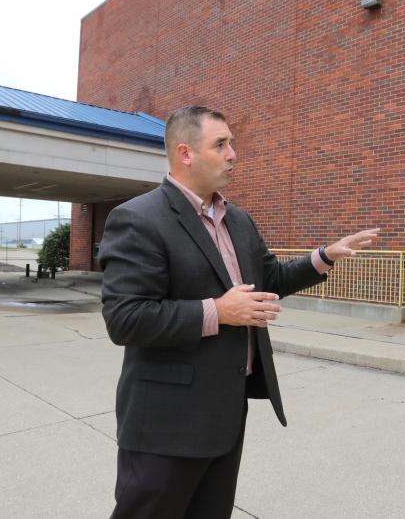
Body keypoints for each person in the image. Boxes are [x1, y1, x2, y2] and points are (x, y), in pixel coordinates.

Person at [99, 105, 379, 519]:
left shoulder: (239, 221)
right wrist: (218, 311)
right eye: (221, 144)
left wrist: (324, 256)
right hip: (166, 425)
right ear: (185, 153)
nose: (234, 154)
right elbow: (126, 318)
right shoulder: (138, 218)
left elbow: (271, 278)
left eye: (232, 143)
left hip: (226, 415)